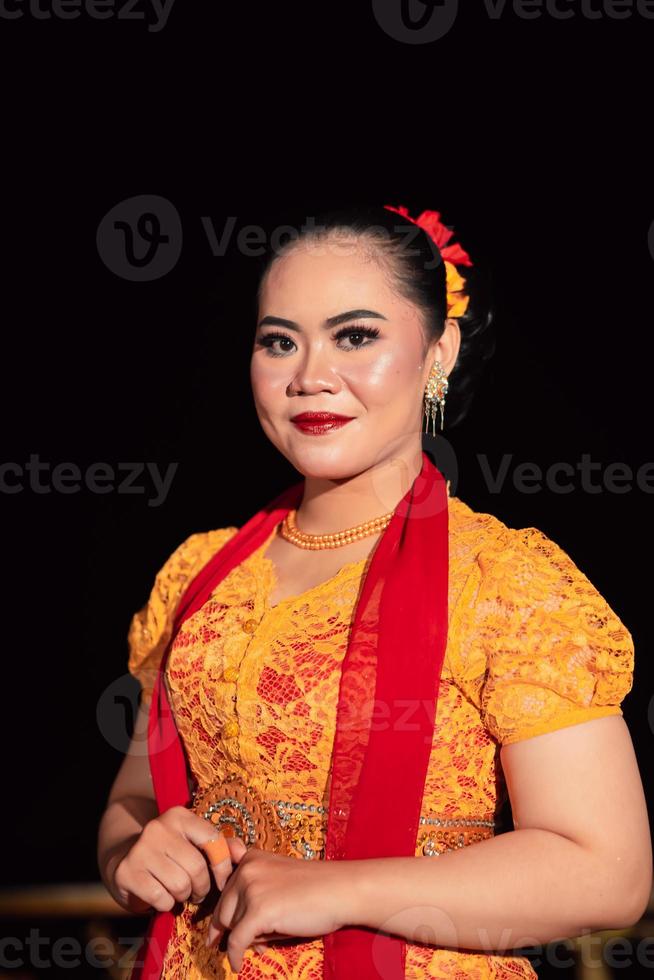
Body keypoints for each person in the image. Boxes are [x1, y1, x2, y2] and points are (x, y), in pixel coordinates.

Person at [97, 203, 652, 980]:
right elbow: (135, 794)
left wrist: (340, 889)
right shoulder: (199, 571)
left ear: (439, 350)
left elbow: (608, 872)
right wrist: (131, 849)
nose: (309, 375)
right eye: (278, 342)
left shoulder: (505, 580)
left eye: (355, 336)